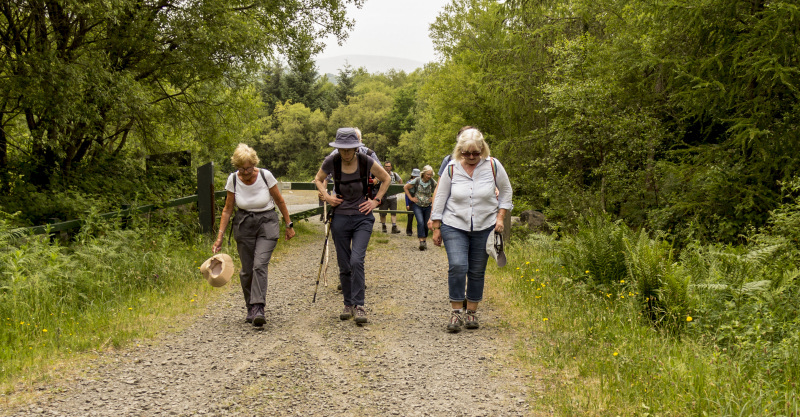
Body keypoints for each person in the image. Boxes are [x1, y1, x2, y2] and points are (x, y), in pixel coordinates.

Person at [430, 128, 513, 333]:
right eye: (467, 153)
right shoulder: (451, 167)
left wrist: (500, 217)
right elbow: (440, 197)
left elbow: (506, 191)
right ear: (460, 151)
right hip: (454, 223)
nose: (472, 157)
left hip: (485, 225)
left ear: (482, 149)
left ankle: (472, 312)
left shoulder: (493, 165)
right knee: (458, 265)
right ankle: (456, 312)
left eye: (476, 152)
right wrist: (436, 226)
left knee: (477, 270)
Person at [213, 143, 296, 327]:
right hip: (244, 224)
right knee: (247, 270)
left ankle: (258, 307)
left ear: (254, 164)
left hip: (267, 223)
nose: (245, 172)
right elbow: (227, 210)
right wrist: (220, 237)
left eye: (249, 168)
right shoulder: (233, 179)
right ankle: (250, 307)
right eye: (241, 168)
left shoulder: (265, 176)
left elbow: (279, 201)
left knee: (260, 265)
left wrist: (289, 225)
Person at [314, 127, 391, 325]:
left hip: (362, 217)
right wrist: (328, 197)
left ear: (356, 147)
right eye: (343, 149)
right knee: (344, 262)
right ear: (338, 148)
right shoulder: (332, 161)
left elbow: (386, 178)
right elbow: (318, 179)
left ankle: (359, 305)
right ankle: (347, 304)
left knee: (357, 260)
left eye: (350, 149)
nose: (347, 153)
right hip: (339, 217)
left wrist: (376, 201)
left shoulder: (366, 161)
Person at [404, 165, 437, 251]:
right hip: (417, 205)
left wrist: (433, 198)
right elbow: (405, 187)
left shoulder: (432, 182)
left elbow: (439, 189)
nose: (429, 176)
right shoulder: (417, 180)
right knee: (420, 222)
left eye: (430, 174)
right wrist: (411, 199)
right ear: (423, 174)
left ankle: (424, 240)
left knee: (426, 224)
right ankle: (421, 241)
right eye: (428, 174)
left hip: (428, 205)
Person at [374, 160, 403, 233]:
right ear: (384, 167)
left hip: (393, 197)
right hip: (383, 197)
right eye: (386, 166)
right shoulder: (381, 174)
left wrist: (397, 190)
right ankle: (384, 226)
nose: (387, 168)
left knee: (393, 212)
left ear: (391, 167)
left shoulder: (394, 174)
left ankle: (394, 227)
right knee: (383, 213)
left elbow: (400, 181)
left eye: (389, 166)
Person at [405, 168, 420, 237]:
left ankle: (419, 231)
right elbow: (406, 195)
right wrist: (407, 204)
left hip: (418, 202)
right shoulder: (408, 183)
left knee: (419, 218)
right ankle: (409, 231)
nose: (416, 177)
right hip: (411, 202)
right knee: (410, 217)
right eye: (415, 176)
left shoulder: (420, 183)